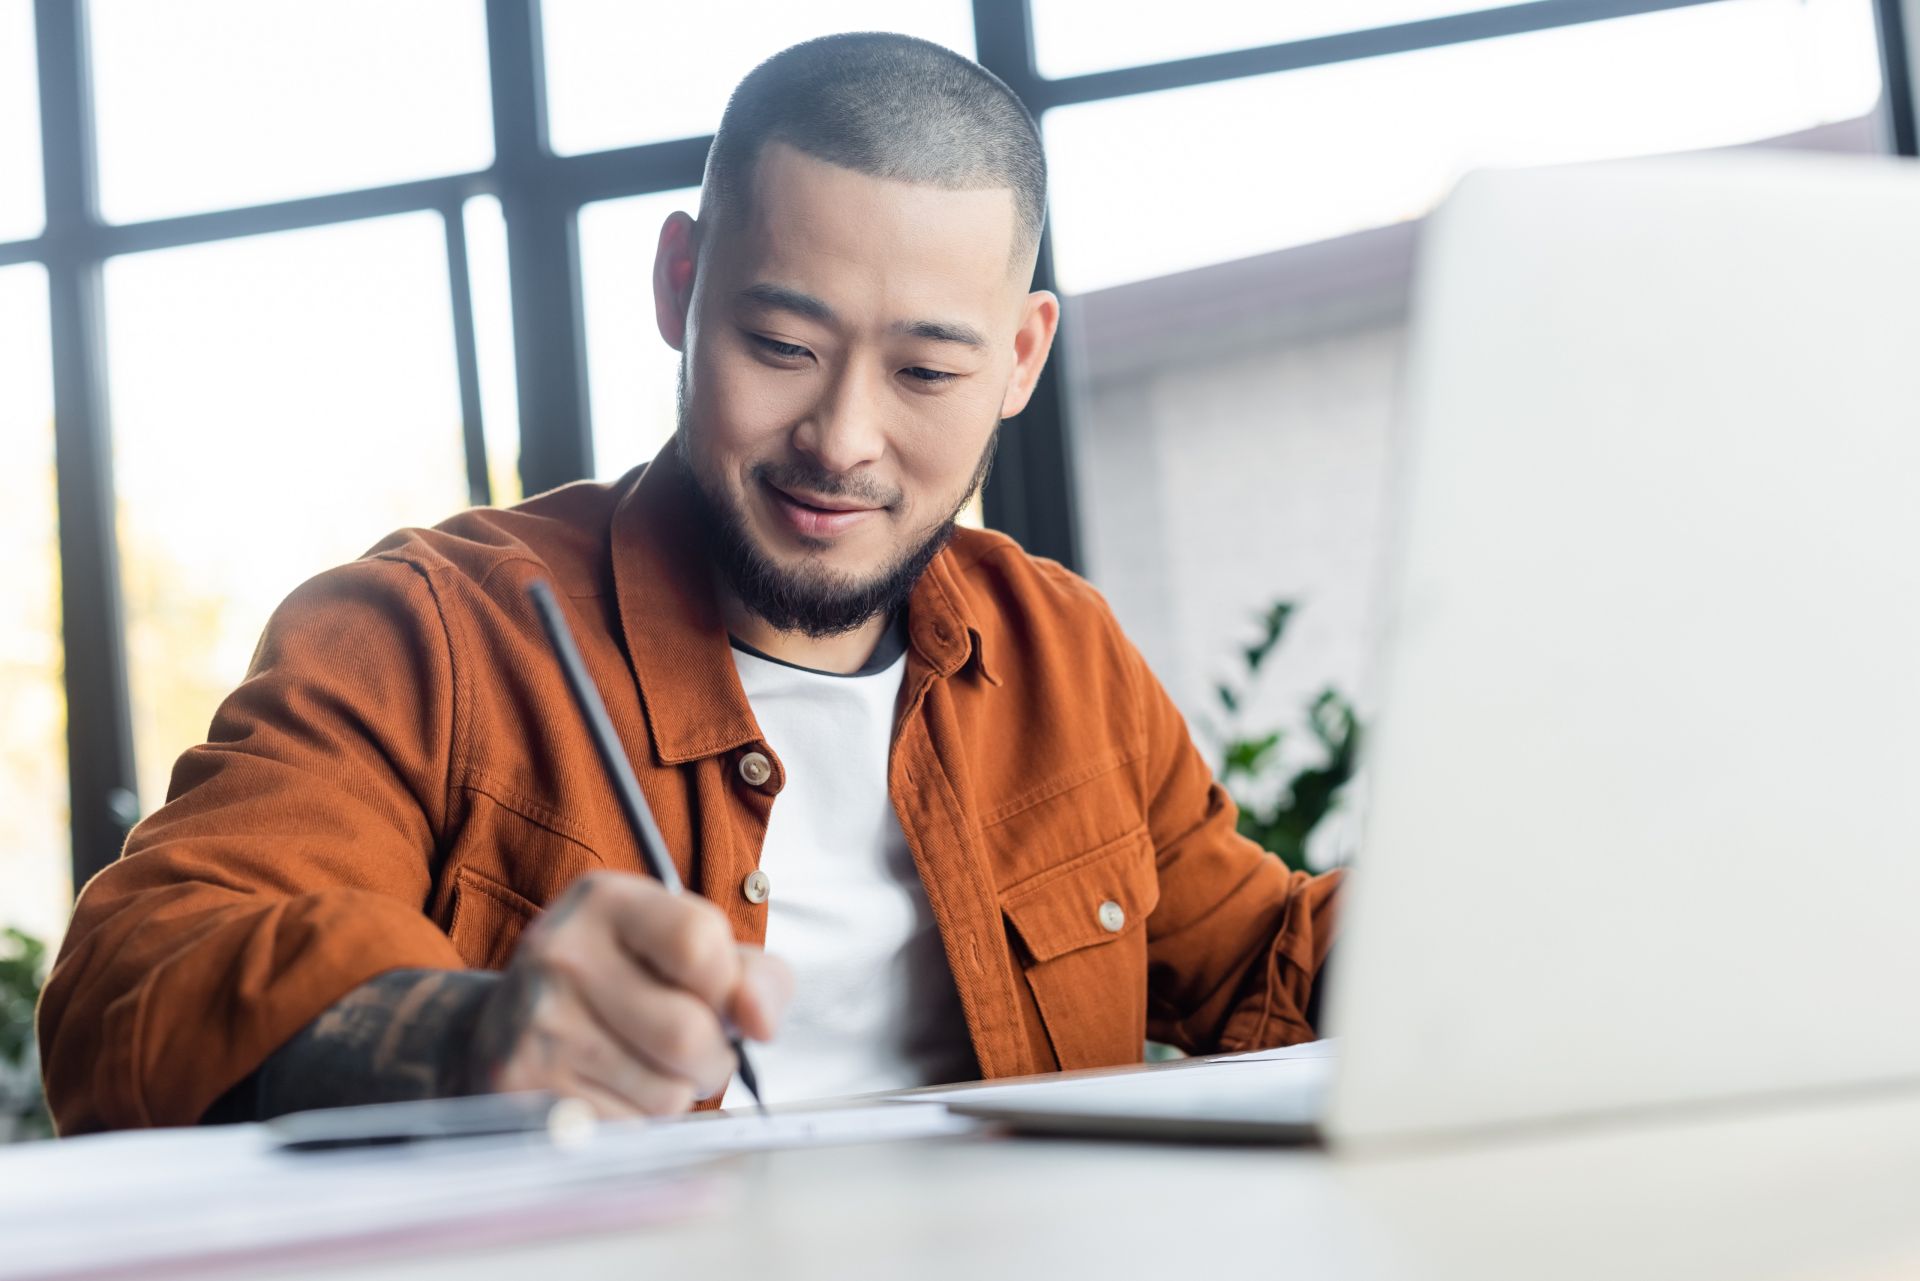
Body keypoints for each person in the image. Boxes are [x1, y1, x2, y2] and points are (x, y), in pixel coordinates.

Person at [39, 32, 1341, 1134]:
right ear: (679, 285)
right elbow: (130, 979)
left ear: (1019, 357)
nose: (841, 437)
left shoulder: (1058, 646)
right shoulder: (431, 635)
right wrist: (469, 1036)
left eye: (926, 374)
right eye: (780, 343)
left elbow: (1264, 965)